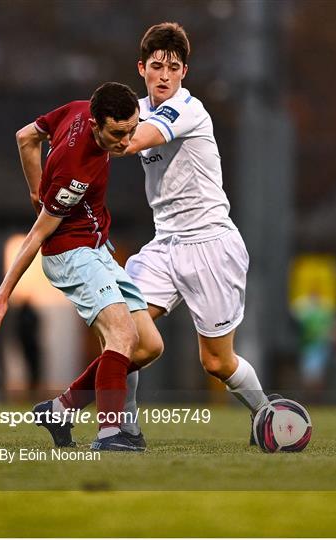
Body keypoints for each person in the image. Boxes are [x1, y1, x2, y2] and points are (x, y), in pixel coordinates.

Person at [0, 82, 163, 451]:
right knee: (122, 337)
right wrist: (2, 295)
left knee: (148, 346)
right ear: (95, 125)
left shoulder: (80, 108)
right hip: (71, 253)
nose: (126, 142)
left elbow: (26, 137)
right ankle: (111, 435)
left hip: (96, 248)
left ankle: (60, 409)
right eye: (117, 133)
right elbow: (36, 236)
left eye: (132, 130)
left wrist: (35, 192)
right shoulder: (74, 170)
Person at [121, 22, 281, 443]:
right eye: (157, 66)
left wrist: (97, 134)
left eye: (174, 67)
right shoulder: (136, 108)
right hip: (164, 244)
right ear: (142, 68)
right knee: (122, 327)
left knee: (216, 362)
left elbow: (137, 140)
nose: (165, 75)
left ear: (183, 72)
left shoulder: (187, 109)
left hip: (209, 243)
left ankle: (267, 416)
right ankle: (124, 429)